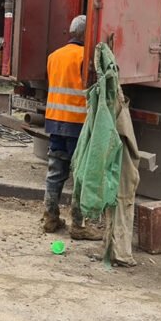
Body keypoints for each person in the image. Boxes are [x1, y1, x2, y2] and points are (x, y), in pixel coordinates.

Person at [43, 15, 102, 240]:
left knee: (55, 171)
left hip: (55, 122)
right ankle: (79, 225)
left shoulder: (54, 56)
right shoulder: (85, 58)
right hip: (77, 125)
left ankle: (50, 217)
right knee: (80, 175)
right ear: (86, 34)